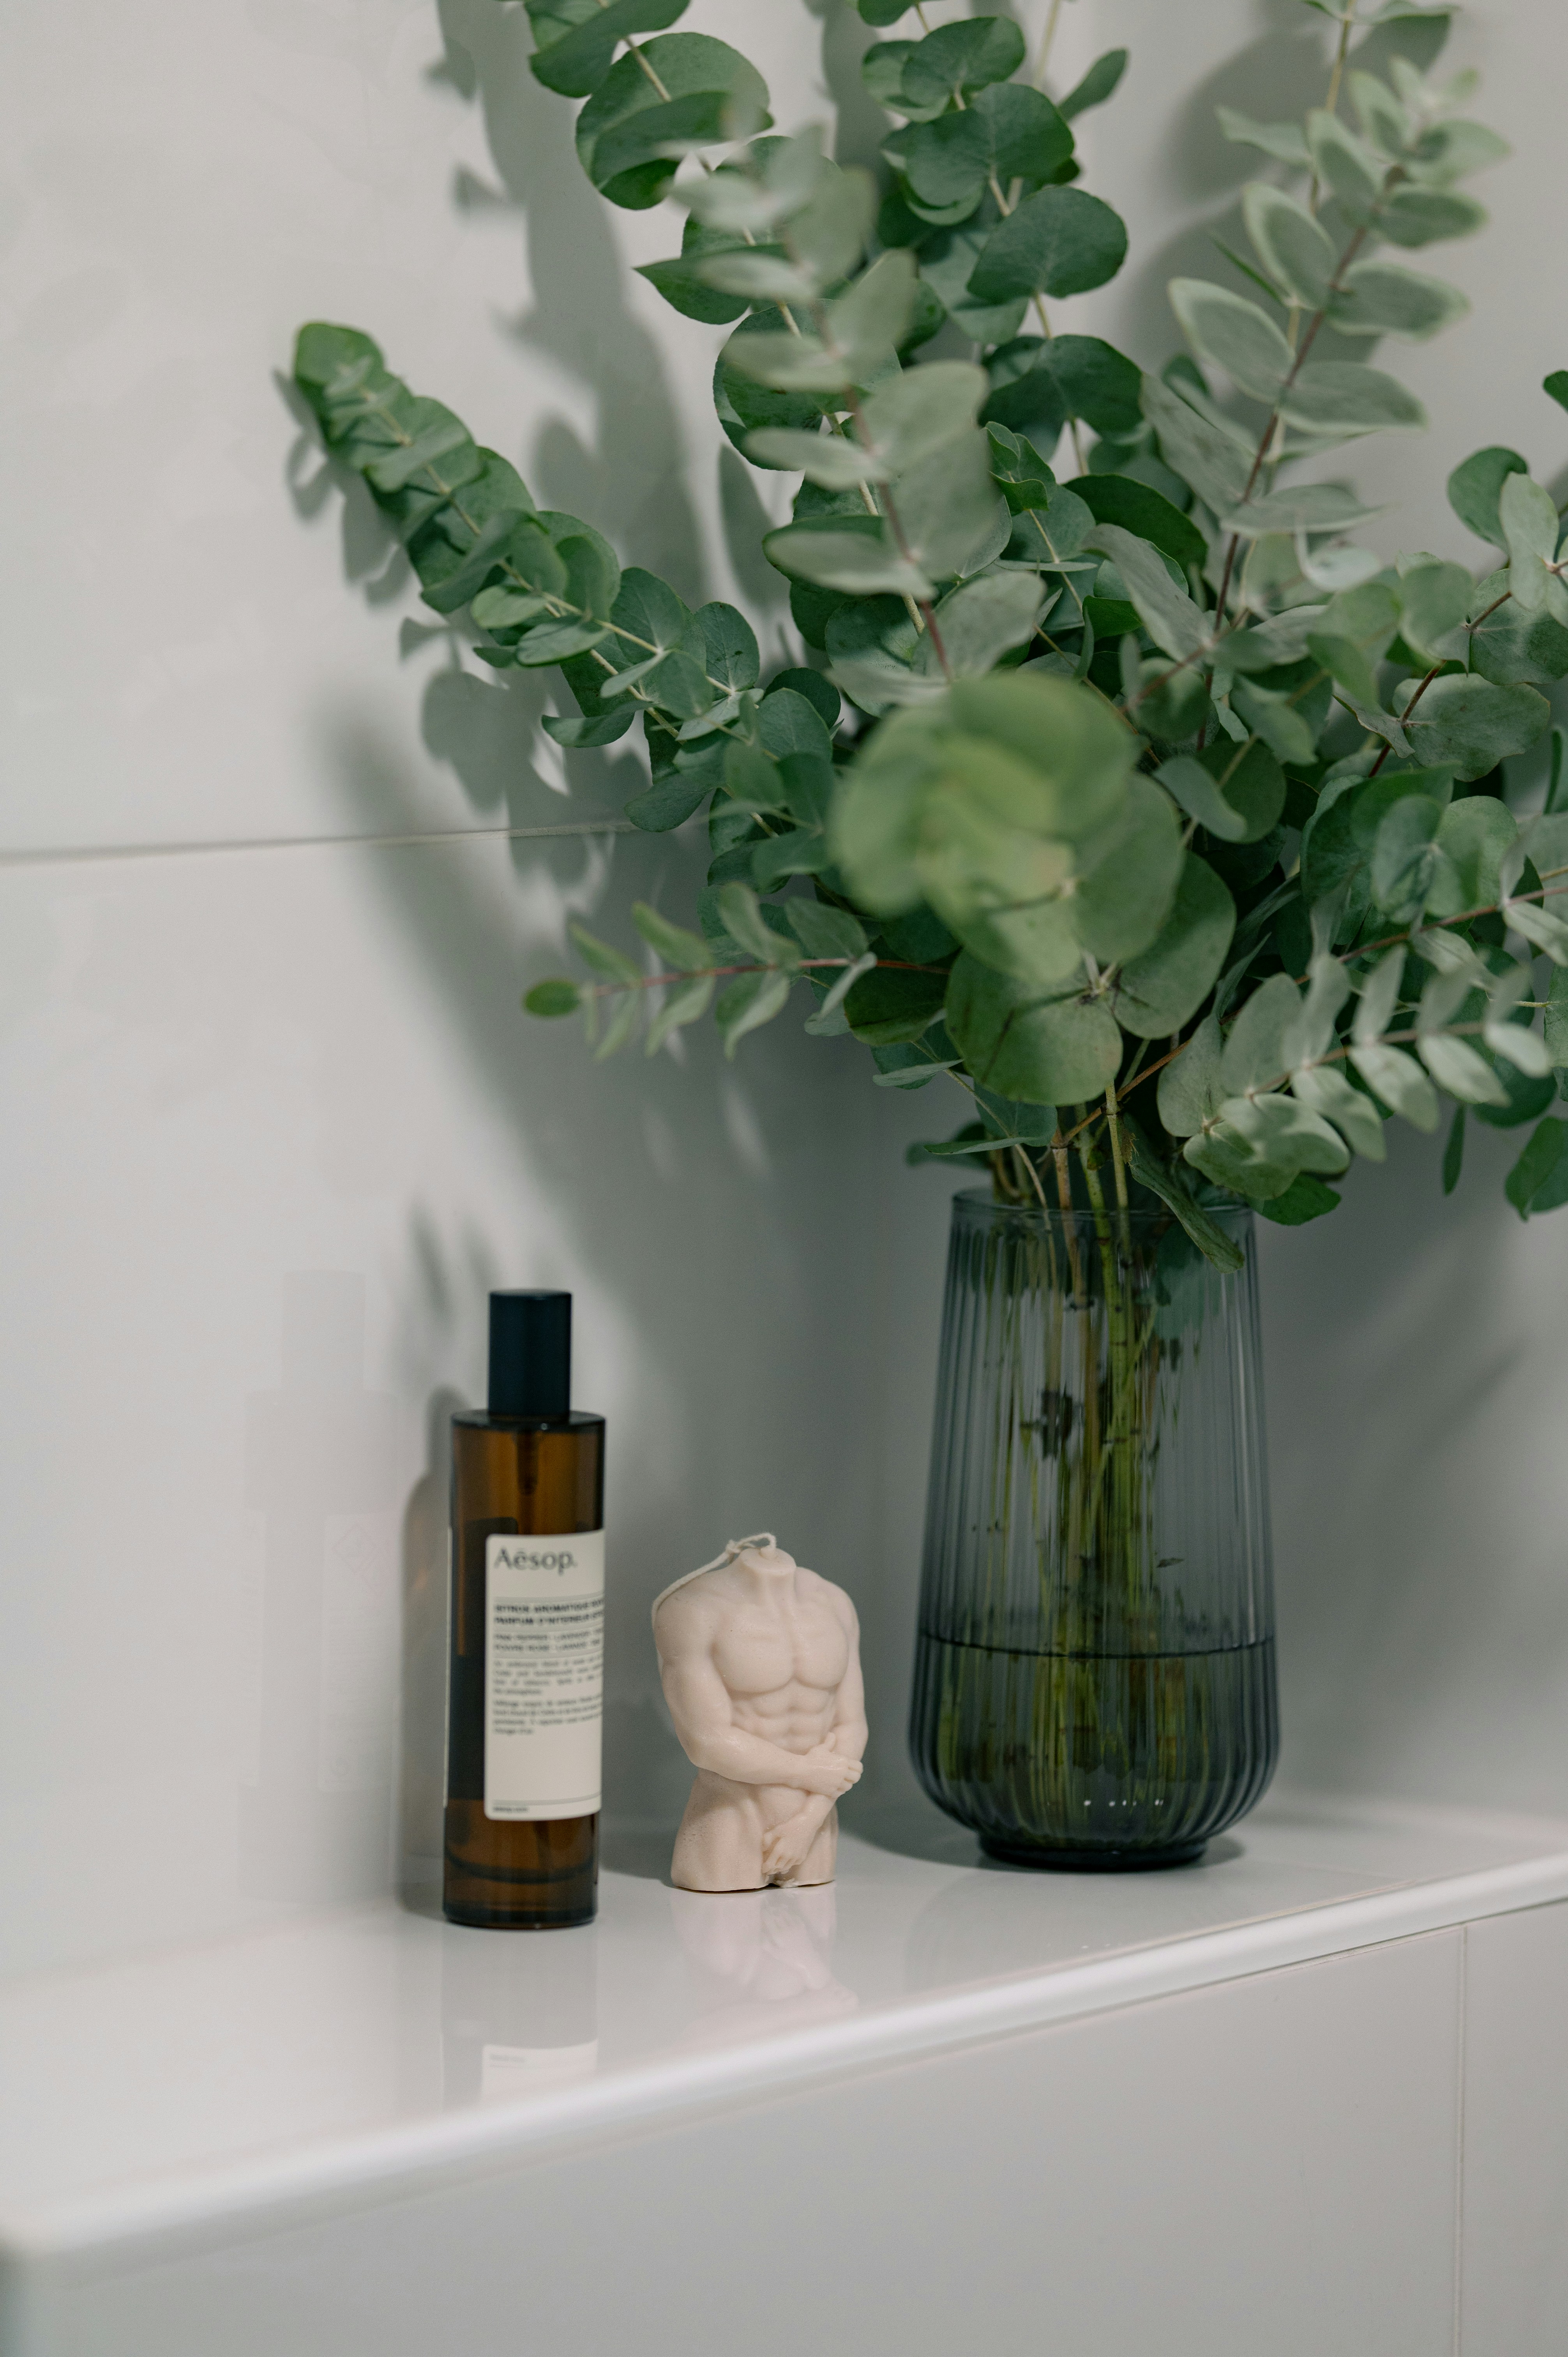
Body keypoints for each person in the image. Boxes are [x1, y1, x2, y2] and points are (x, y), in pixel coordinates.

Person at [652, 1535, 867, 1892]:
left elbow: (851, 1724)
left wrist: (808, 1822)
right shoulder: (692, 1610)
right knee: (723, 1933)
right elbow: (706, 1741)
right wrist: (807, 1771)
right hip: (733, 1810)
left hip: (815, 1819)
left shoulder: (834, 1603)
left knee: (811, 1931)